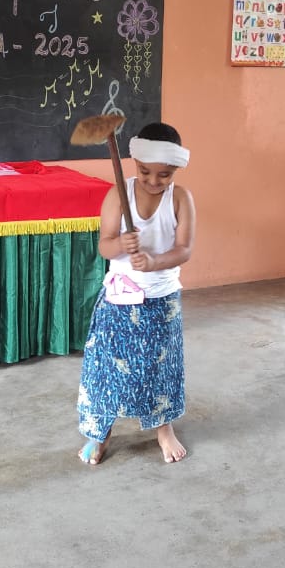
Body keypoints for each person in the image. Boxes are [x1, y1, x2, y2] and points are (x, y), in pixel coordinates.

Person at [77, 121, 196, 465]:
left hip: (162, 300)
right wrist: (121, 245)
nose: (154, 181)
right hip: (118, 298)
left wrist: (155, 261)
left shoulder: (182, 199)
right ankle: (100, 432)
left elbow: (184, 249)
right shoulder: (118, 194)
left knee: (161, 368)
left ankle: (164, 428)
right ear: (135, 164)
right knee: (104, 370)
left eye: (164, 175)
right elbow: (104, 247)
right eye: (145, 172)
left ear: (176, 170)